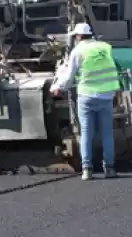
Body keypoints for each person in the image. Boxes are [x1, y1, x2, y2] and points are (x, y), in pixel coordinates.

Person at [50, 23, 122, 180]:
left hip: (87, 97)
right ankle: (109, 169)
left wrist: (58, 88)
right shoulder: (105, 47)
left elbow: (69, 76)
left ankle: (87, 170)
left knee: (86, 134)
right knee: (107, 134)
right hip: (106, 95)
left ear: (78, 36)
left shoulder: (78, 51)